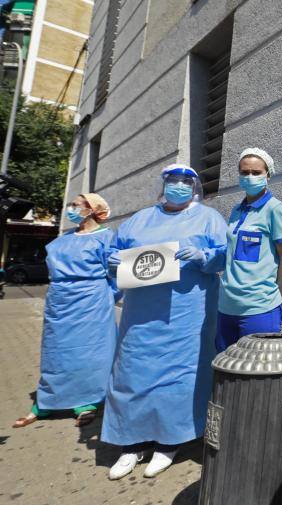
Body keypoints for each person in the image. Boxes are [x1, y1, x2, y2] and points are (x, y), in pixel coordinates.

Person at [102, 164, 227, 480]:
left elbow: (225, 255)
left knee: (178, 378)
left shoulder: (208, 219)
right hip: (141, 316)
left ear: (195, 187)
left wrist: (202, 256)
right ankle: (130, 443)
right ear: (163, 183)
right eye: (173, 180)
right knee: (132, 373)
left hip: (186, 315)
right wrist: (112, 261)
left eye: (187, 181)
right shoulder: (140, 219)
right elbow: (115, 255)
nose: (179, 186)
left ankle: (168, 443)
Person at [12, 193, 118, 429]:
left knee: (90, 353)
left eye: (76, 205)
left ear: (92, 209)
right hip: (60, 301)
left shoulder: (107, 238)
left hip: (92, 302)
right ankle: (46, 401)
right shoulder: (64, 238)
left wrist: (107, 297)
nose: (71, 208)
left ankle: (87, 401)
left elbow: (117, 275)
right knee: (55, 351)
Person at [216, 148, 282, 352]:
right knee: (226, 374)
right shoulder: (236, 211)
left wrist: (275, 297)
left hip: (259, 309)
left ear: (267, 174)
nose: (249, 177)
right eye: (244, 172)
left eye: (256, 172)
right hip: (227, 307)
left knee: (256, 377)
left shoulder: (275, 209)